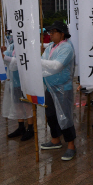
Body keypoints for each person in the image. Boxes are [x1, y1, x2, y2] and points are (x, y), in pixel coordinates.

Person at [39, 21, 77, 161]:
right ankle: (55, 139)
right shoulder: (50, 47)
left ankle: (71, 145)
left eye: (54, 32)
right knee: (50, 114)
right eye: (50, 32)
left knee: (65, 117)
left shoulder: (67, 47)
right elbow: (44, 63)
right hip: (50, 87)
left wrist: (37, 61)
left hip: (62, 89)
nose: (51, 34)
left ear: (62, 34)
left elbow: (57, 66)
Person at [1, 41, 35, 142]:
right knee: (18, 105)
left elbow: (19, 61)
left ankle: (30, 128)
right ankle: (21, 127)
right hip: (14, 83)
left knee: (27, 106)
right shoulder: (12, 45)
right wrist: (1, 52)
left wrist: (5, 56)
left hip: (25, 82)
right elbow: (6, 56)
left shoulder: (27, 45)